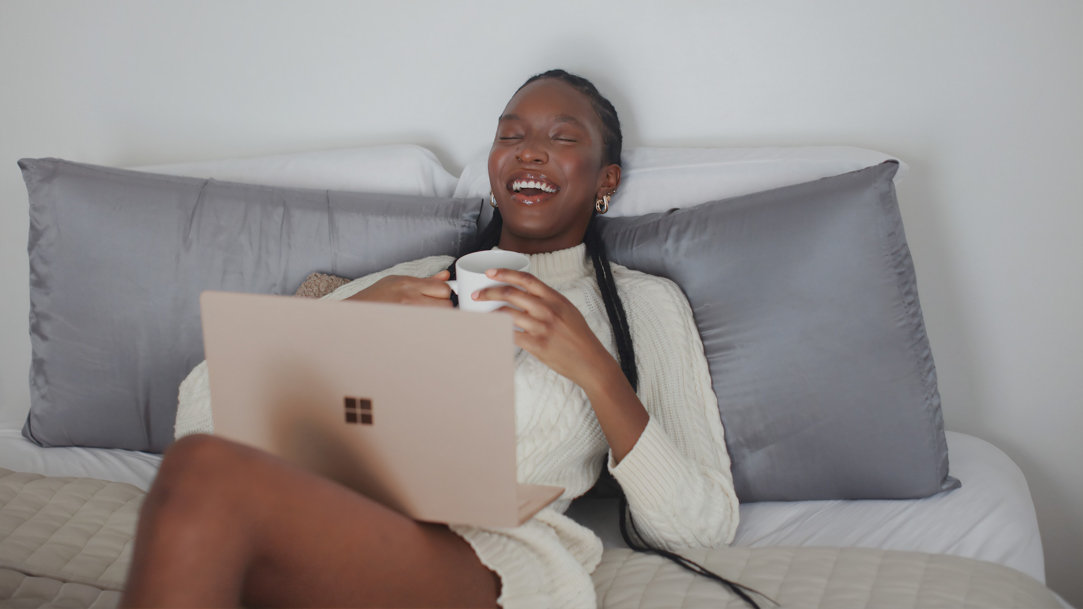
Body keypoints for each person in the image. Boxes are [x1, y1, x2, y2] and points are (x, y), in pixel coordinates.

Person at [122, 69, 741, 609]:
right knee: (201, 470)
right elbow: (200, 417)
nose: (528, 152)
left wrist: (597, 372)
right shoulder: (412, 280)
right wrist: (350, 322)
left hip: (486, 561)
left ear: (606, 179)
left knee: (205, 481)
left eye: (562, 137)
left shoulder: (640, 305)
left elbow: (703, 526)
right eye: (510, 135)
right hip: (340, 522)